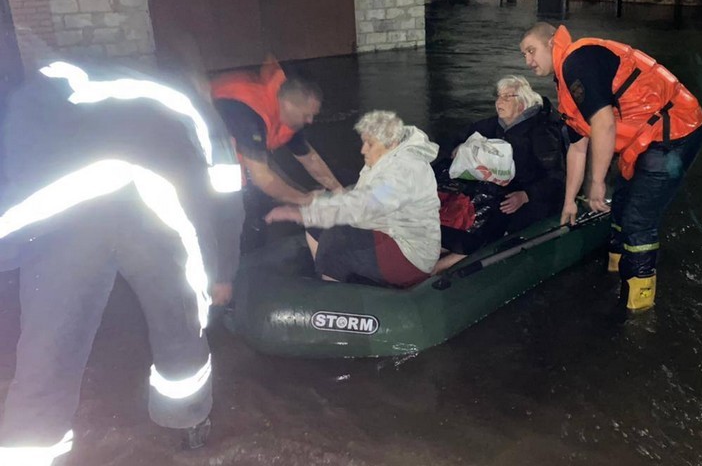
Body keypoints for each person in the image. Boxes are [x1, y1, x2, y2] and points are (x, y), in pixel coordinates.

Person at [0, 60, 244, 464]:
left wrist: (15, 253)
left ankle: (28, 451)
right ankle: (189, 429)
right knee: (179, 318)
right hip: (152, 207)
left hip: (64, 212)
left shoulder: (41, 93)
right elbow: (226, 193)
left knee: (49, 344)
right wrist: (222, 272)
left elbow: (15, 173)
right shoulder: (195, 107)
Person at [519, 22, 702, 312]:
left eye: (531, 51)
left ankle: (638, 308)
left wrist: (596, 183)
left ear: (552, 42)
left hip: (676, 131)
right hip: (645, 139)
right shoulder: (567, 84)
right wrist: (569, 202)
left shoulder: (576, 62)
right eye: (524, 55)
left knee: (637, 220)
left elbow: (604, 125)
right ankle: (615, 273)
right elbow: (578, 146)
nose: (528, 61)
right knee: (620, 203)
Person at [265, 110, 440, 288]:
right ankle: (328, 274)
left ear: (392, 143)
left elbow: (368, 202)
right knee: (318, 226)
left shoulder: (405, 170)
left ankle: (332, 298)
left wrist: (300, 214)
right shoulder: (385, 159)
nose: (363, 149)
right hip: (386, 230)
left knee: (335, 240)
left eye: (369, 144)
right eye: (363, 142)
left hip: (410, 256)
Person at [210, 56, 343, 251]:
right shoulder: (248, 113)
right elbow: (261, 177)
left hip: (244, 158)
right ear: (288, 105)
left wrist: (339, 190)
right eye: (307, 115)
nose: (310, 121)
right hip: (208, 166)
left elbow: (309, 158)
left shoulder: (287, 113)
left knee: (270, 198)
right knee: (245, 221)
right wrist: (303, 199)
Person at [437, 75, 566, 271]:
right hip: (496, 191)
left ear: (522, 103)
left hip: (531, 198)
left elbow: (556, 177)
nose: (499, 102)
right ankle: (443, 247)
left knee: (492, 223)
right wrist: (457, 148)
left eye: (507, 97)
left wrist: (526, 195)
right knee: (462, 207)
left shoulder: (541, 133)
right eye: (499, 96)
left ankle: (447, 265)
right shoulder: (492, 125)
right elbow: (458, 138)